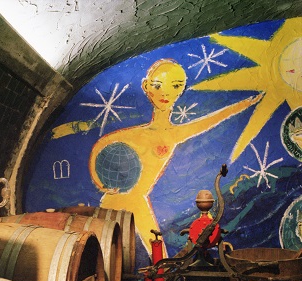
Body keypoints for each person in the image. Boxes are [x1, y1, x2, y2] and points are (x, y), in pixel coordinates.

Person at [89, 58, 262, 257]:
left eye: (176, 86)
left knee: (157, 249)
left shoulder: (175, 134)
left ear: (181, 90)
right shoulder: (132, 134)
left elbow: (210, 121)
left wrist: (244, 104)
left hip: (138, 200)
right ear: (146, 87)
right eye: (157, 85)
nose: (165, 93)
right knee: (103, 249)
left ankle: (161, 277)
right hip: (113, 199)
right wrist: (100, 182)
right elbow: (100, 146)